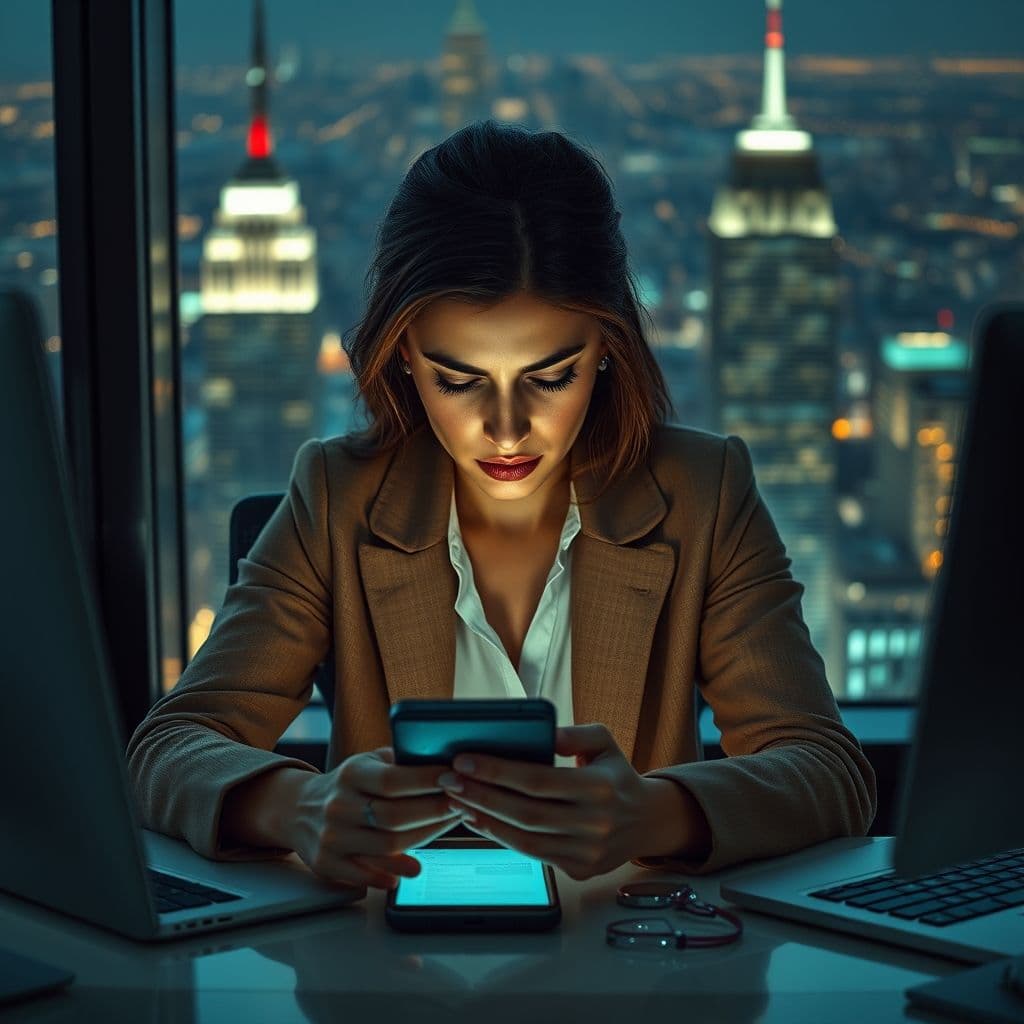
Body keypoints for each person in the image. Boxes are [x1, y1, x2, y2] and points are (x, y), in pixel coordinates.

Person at [126, 120, 876, 894]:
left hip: (628, 949)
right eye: (458, 380)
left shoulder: (703, 494)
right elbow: (169, 746)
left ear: (607, 348)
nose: (508, 428)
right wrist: (297, 807)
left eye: (551, 377)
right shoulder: (337, 498)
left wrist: (653, 816)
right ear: (404, 354)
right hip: (389, 953)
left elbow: (829, 771)